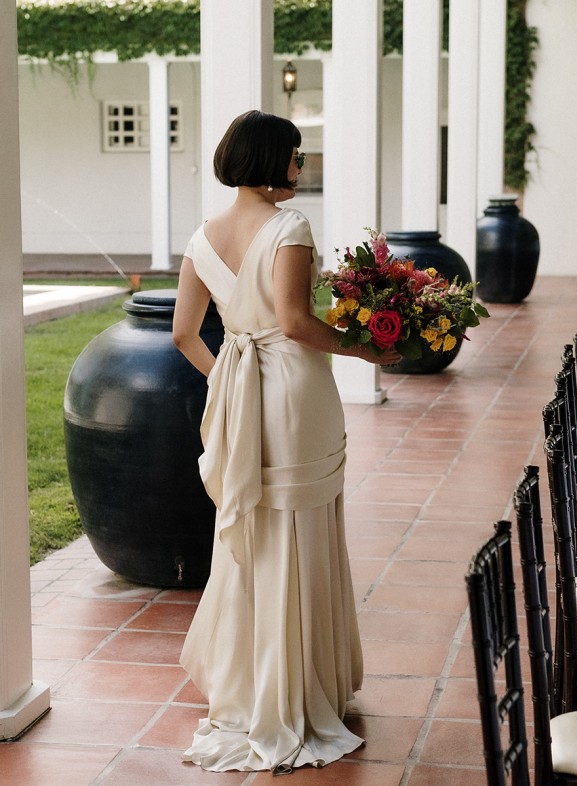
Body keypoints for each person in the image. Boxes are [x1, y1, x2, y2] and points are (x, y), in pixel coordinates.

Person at [171, 109, 399, 775]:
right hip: (297, 395)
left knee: (259, 530)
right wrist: (365, 348)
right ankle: (301, 692)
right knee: (302, 528)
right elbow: (297, 323)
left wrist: (230, 381)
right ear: (269, 161)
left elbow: (186, 335)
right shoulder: (290, 227)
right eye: (296, 157)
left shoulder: (201, 238)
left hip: (244, 395)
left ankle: (253, 688)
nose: (301, 168)